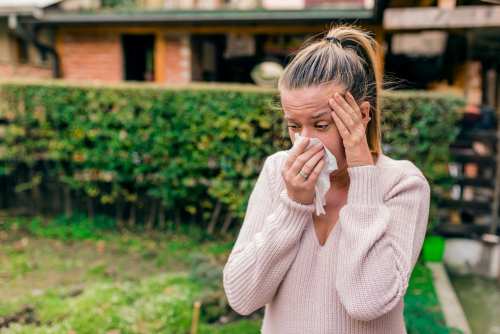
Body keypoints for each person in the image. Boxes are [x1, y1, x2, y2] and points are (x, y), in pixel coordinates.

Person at [222, 24, 431, 334]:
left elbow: (366, 302)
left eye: (320, 125)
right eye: (294, 125)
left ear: (360, 116)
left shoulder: (402, 184)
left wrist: (362, 175)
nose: (304, 142)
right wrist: (293, 205)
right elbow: (242, 298)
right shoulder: (277, 172)